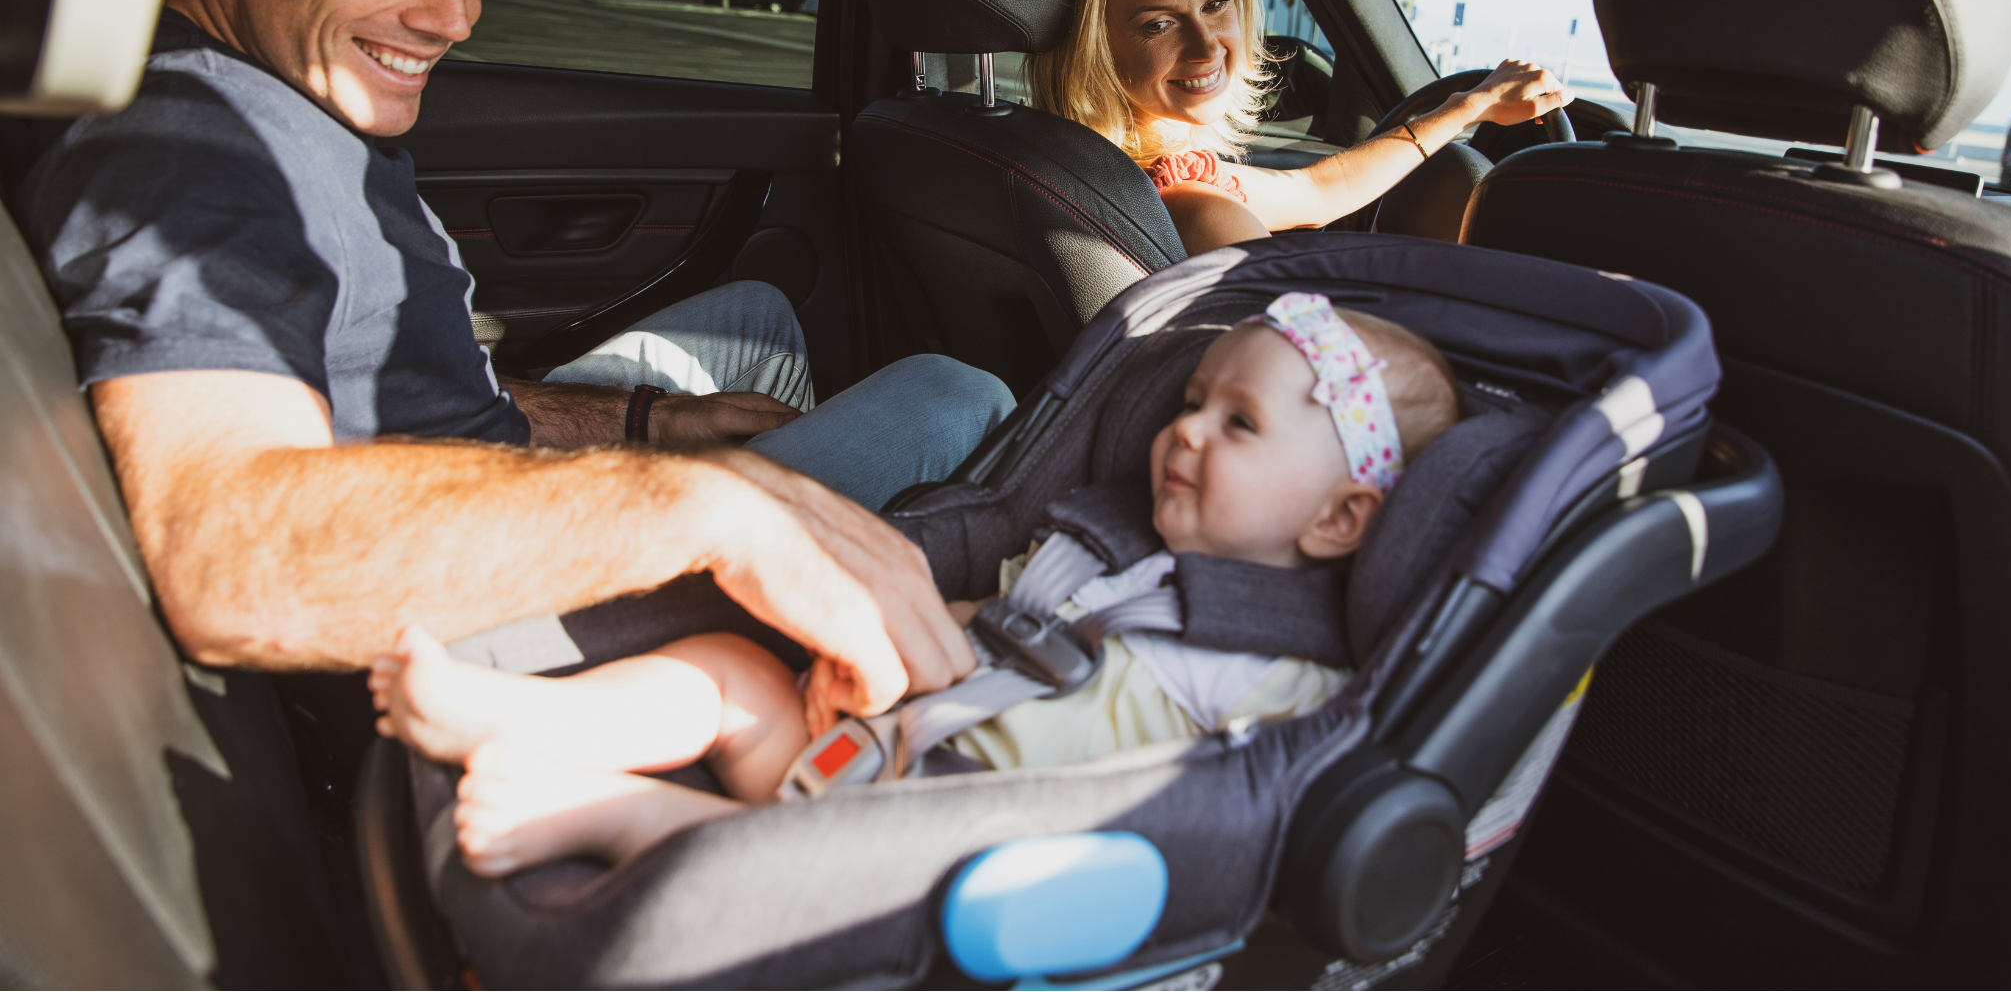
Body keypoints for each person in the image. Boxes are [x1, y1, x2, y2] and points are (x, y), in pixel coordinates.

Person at [22, 0, 1000, 724]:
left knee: (753, 314)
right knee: (949, 397)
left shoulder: (266, 91)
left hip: (452, 471)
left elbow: (379, 391)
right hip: (454, 653)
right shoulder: (190, 156)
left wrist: (647, 423)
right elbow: (229, 558)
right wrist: (708, 507)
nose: (451, 20)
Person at [370, 293, 1458, 877]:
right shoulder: (1104, 544)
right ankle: (515, 709)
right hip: (870, 746)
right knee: (732, 674)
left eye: (1240, 424)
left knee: (806, 858)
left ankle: (618, 817)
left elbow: (1235, 821)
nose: (1181, 431)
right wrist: (865, 667)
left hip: (951, 847)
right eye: (1189, 399)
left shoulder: (1278, 675)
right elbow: (985, 619)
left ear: (1337, 517)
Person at [1028, 0, 1572, 256]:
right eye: (1157, 24)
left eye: (1216, 4)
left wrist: (1468, 107)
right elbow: (1312, 391)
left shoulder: (1081, 165)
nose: (1206, 47)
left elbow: (1318, 191)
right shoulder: (1196, 207)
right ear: (1092, 44)